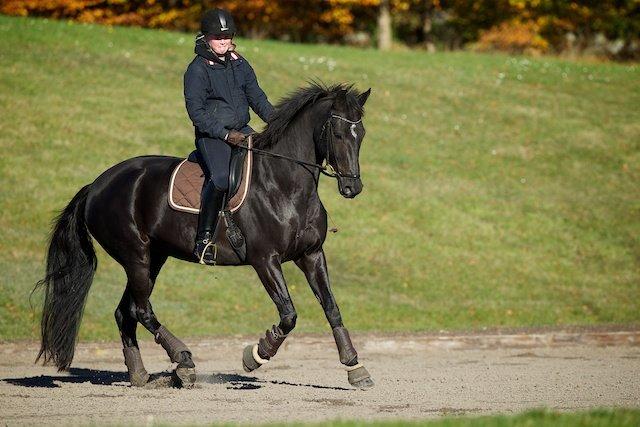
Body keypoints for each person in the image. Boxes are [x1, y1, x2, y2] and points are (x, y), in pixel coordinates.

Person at [184, 8, 274, 265]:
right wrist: (224, 135)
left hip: (241, 130)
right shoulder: (197, 70)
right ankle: (203, 240)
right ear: (206, 37)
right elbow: (197, 113)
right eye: (217, 37)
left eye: (227, 36)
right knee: (222, 179)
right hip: (212, 136)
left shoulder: (239, 62)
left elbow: (257, 98)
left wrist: (280, 123)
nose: (223, 41)